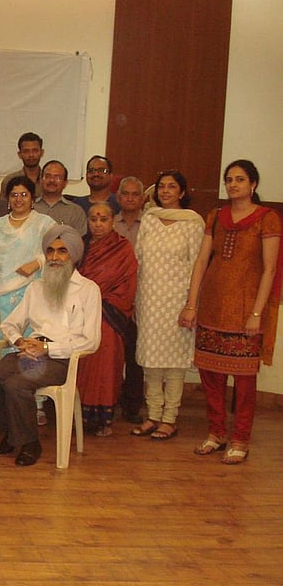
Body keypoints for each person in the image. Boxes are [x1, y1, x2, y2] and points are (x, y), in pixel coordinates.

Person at [181, 160, 282, 464]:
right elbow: (201, 263)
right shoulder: (215, 217)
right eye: (229, 180)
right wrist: (191, 304)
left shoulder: (268, 219)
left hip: (245, 309)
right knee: (211, 376)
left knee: (244, 381)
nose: (233, 185)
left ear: (253, 185)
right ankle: (216, 434)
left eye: (240, 179)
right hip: (212, 305)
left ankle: (240, 438)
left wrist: (256, 312)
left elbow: (269, 269)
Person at [0, 226, 101, 466]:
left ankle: (30, 442)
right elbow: (11, 324)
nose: (54, 257)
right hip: (28, 352)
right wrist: (19, 341)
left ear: (73, 255)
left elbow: (91, 340)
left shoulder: (88, 290)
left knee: (16, 384)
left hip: (60, 359)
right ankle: (16, 435)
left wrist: (47, 349)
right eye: (51, 251)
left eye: (62, 251)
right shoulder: (35, 288)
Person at [132, 170, 204, 440]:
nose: (165, 191)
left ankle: (170, 418)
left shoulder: (193, 222)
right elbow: (139, 258)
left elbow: (197, 264)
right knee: (150, 361)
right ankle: (152, 415)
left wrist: (191, 304)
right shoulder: (149, 219)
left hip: (177, 300)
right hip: (149, 298)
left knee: (174, 363)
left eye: (172, 187)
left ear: (182, 192)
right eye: (161, 186)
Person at [76, 202, 138, 436]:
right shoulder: (80, 246)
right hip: (80, 315)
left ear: (113, 221)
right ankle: (79, 415)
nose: (98, 224)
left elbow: (127, 285)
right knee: (81, 362)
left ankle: (103, 418)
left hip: (109, 316)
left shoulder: (122, 249)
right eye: (94, 219)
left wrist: (99, 303)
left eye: (103, 219)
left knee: (105, 363)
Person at [0, 176, 56, 326]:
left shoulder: (45, 224)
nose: (18, 199)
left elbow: (57, 253)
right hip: (0, 294)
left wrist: (38, 263)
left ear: (33, 198)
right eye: (14, 195)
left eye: (24, 194)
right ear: (8, 199)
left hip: (33, 290)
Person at [114, 176, 147, 424]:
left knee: (136, 356)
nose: (130, 198)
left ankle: (133, 406)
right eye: (126, 194)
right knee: (112, 356)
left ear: (143, 198)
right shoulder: (108, 222)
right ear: (118, 197)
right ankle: (109, 401)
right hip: (112, 301)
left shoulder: (151, 225)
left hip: (143, 299)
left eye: (136, 194)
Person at [33, 160, 88, 236]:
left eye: (57, 177)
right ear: (41, 180)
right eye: (48, 176)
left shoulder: (75, 211)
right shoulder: (30, 207)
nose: (52, 180)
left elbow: (78, 243)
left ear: (65, 183)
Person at [0, 132, 44, 200]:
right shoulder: (9, 180)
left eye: (35, 150)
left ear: (42, 152)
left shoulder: (48, 180)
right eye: (26, 151)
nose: (31, 155)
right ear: (19, 154)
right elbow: (3, 208)